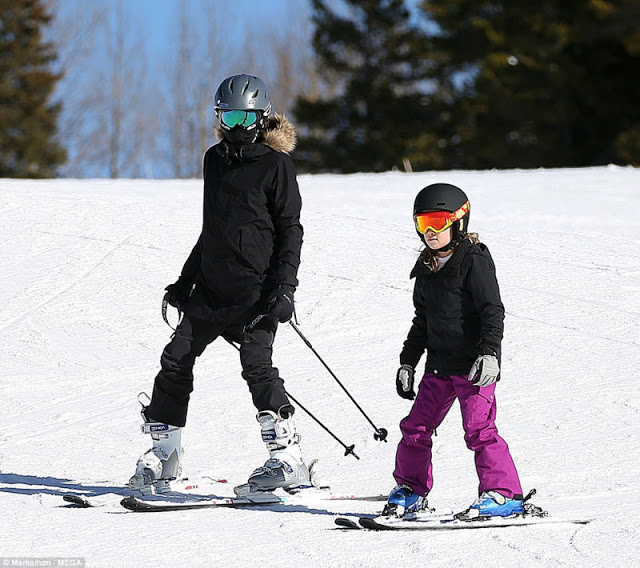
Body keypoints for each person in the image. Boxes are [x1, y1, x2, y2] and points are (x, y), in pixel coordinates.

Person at [128, 74, 309, 495]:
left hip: (258, 292)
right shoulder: (214, 160)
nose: (235, 123)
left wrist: (286, 287)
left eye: (244, 115)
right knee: (175, 358)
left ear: (261, 116)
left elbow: (290, 229)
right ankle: (164, 455)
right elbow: (213, 230)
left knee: (256, 366)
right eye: (227, 114)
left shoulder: (276, 164)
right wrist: (184, 280)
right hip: (211, 289)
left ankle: (288, 459)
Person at [385, 182, 525, 520]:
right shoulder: (426, 269)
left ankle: (504, 495)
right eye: (423, 224)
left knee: (479, 429)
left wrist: (489, 353)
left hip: (474, 366)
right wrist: (408, 361)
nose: (431, 232)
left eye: (438, 221)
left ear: (458, 221)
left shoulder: (473, 261)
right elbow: (422, 321)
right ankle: (411, 491)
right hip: (438, 367)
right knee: (415, 428)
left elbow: (493, 310)